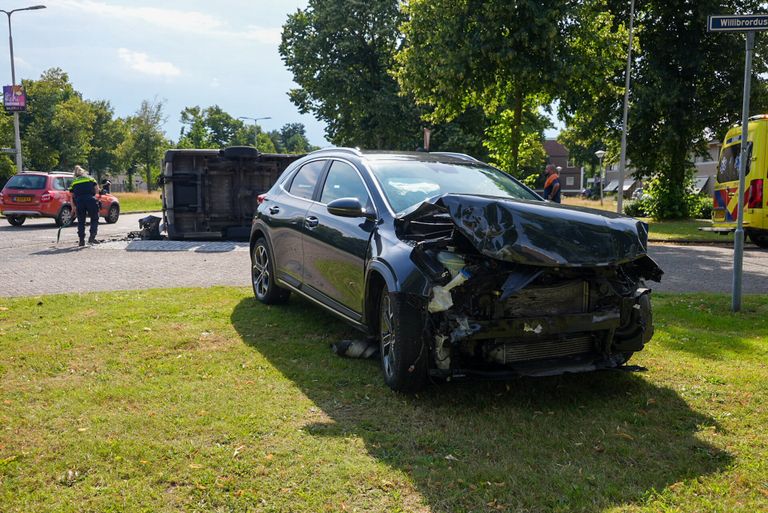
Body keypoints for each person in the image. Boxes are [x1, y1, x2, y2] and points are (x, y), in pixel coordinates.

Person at [69, 165, 100, 246]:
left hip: (79, 201)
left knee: (81, 221)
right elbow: (97, 190)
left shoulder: (74, 182)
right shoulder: (90, 178)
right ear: (83, 172)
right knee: (94, 218)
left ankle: (81, 240)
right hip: (90, 200)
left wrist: (73, 207)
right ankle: (92, 238)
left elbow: (71, 196)